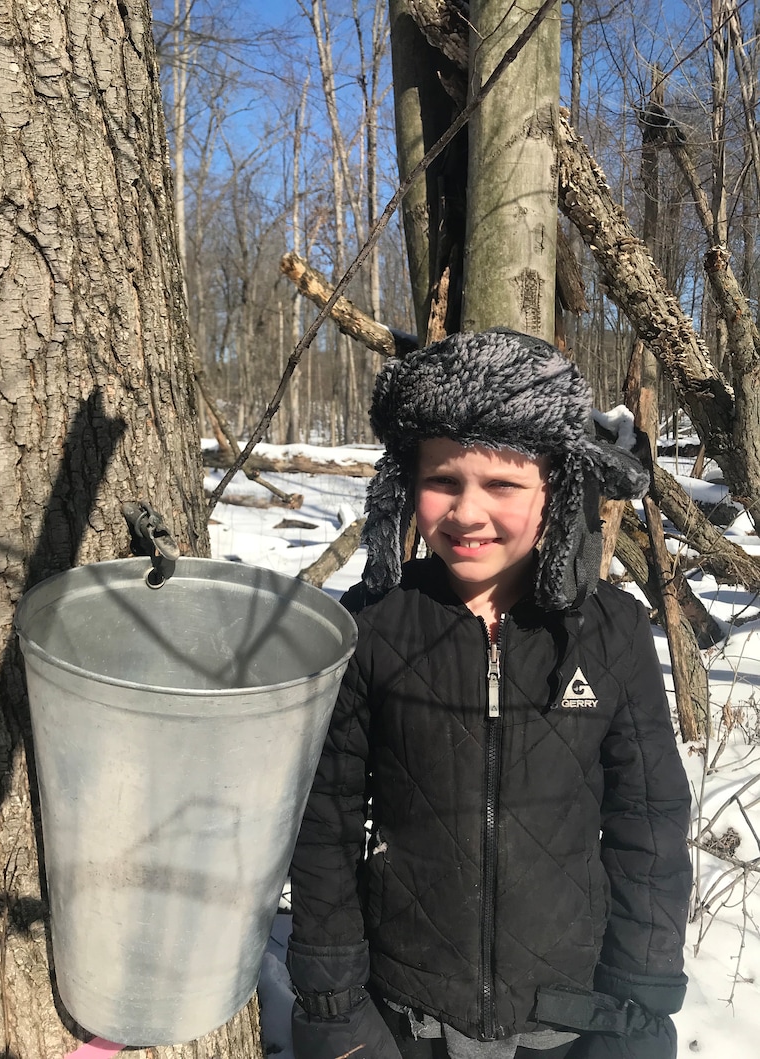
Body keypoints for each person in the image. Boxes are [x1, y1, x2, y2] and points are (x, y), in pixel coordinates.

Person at [286, 328, 692, 1059]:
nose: (467, 513)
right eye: (443, 480)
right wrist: (331, 997)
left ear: (559, 487)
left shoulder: (611, 634)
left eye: (502, 485)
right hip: (403, 1011)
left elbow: (649, 822)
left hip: (567, 1014)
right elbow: (323, 820)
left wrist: (643, 994)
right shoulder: (374, 626)